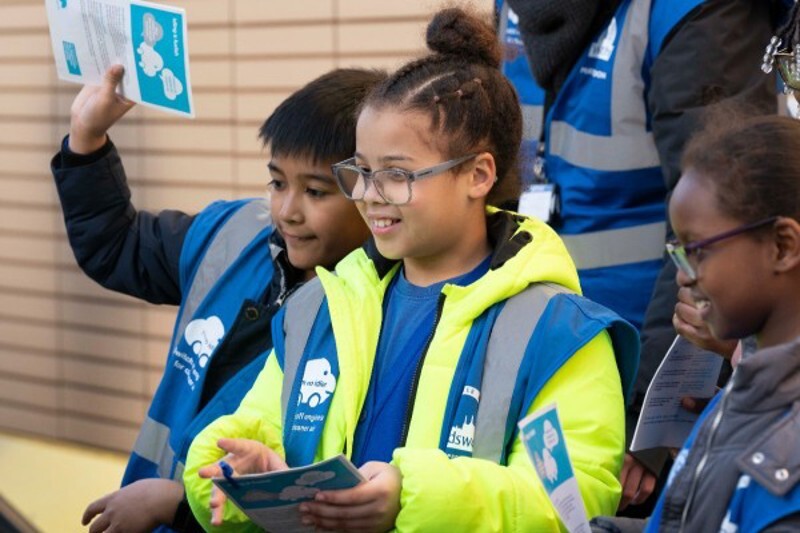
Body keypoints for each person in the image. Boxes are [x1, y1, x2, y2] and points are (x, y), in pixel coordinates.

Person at [183, 7, 639, 531]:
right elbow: (250, 431)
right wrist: (241, 477)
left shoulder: (563, 335)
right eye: (361, 172)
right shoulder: (318, 309)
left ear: (478, 174)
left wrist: (413, 498)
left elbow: (572, 505)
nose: (371, 197)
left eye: (397, 175)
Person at [51, 65, 385, 532]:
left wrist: (177, 505)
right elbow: (117, 245)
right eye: (276, 182)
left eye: (314, 191)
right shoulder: (232, 232)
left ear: (374, 191)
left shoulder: (386, 313)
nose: (287, 211)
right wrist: (87, 139)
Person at [496, 0, 782, 512]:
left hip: (636, 378)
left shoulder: (692, 14)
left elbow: (724, 237)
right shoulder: (516, 9)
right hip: (538, 363)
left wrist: (650, 419)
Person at [594, 108, 800, 533]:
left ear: (782, 246)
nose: (685, 276)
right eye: (678, 253)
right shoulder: (738, 395)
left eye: (698, 250)